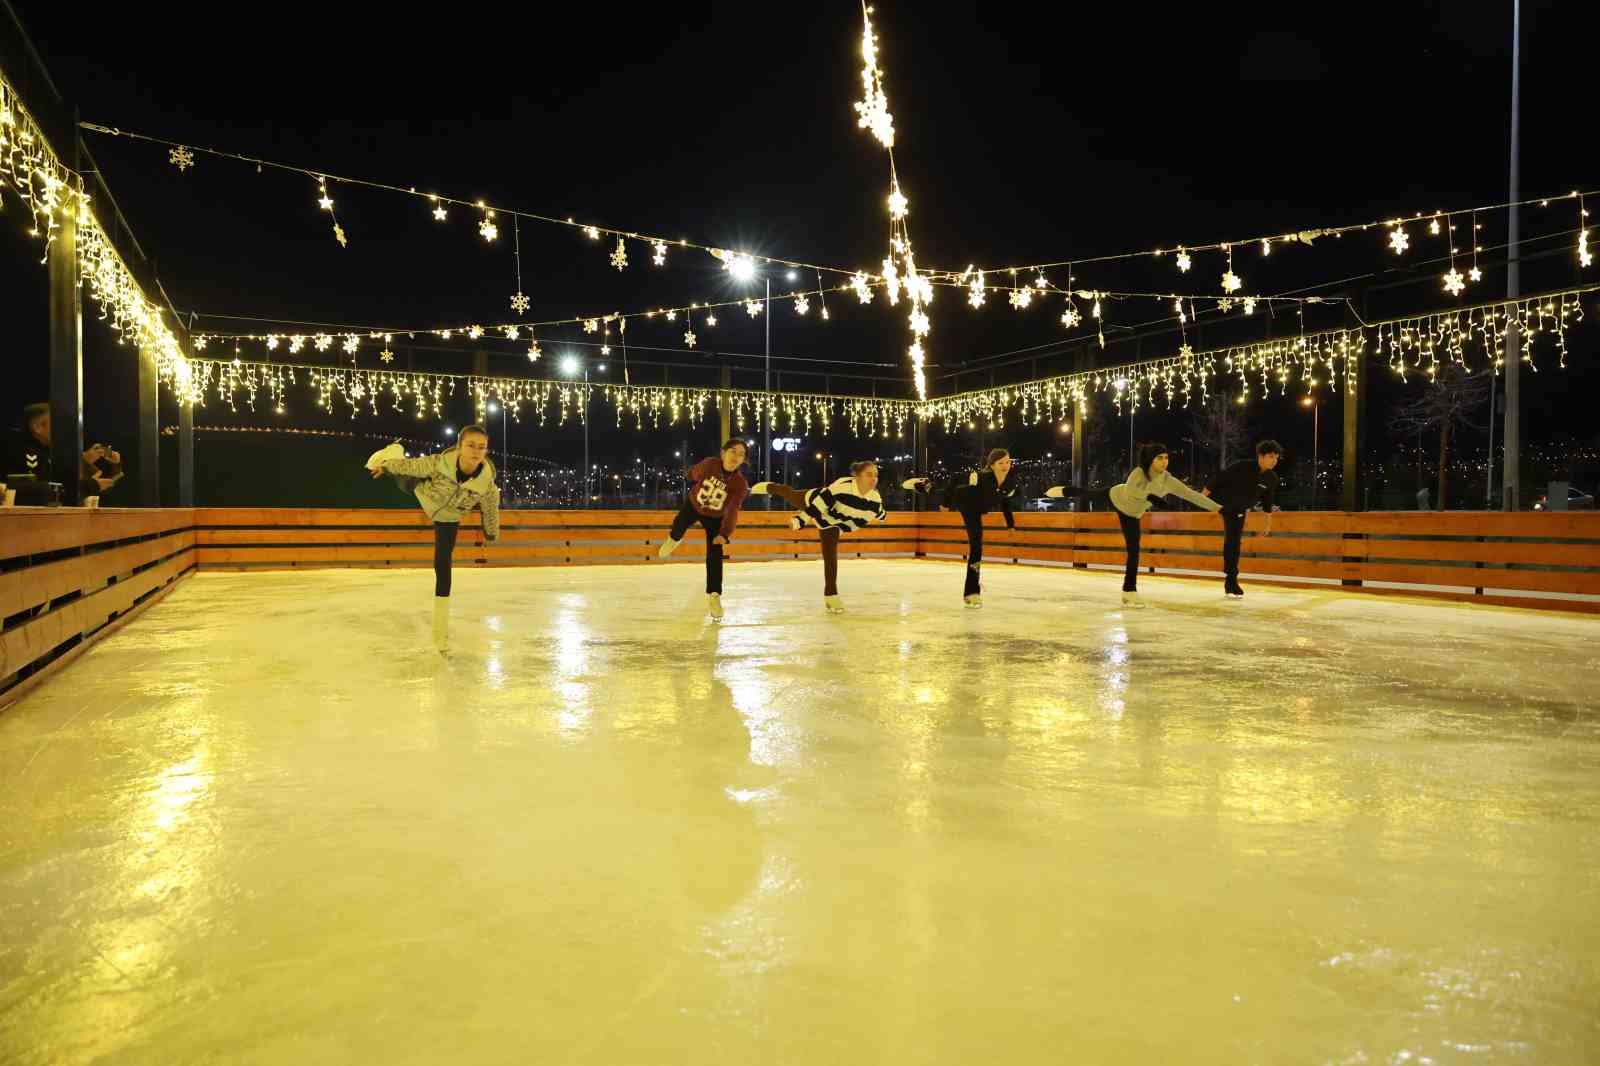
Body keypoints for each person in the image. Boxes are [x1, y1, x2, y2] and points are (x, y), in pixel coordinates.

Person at [365, 428, 501, 650]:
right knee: (404, 479)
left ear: (486, 450)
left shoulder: (487, 484)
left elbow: (490, 508)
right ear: (459, 447)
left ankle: (440, 625)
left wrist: (491, 532)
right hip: (424, 494)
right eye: (471, 445)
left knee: (442, 563)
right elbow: (412, 466)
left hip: (449, 516)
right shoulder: (440, 462)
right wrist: (387, 466)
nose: (476, 451)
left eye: (481, 447)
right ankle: (393, 453)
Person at [1046, 442, 1220, 608]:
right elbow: (1131, 491)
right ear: (1151, 459)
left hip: (1131, 515)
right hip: (1116, 496)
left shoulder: (1168, 480)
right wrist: (1152, 497)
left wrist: (1219, 509)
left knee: (1134, 550)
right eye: (1159, 458)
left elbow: (1192, 495)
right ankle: (1064, 491)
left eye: (1166, 457)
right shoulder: (1139, 472)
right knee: (1087, 493)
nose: (1164, 461)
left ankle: (1129, 591)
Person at [751, 460, 886, 613]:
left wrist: (882, 516)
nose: (873, 479)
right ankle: (772, 487)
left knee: (830, 555)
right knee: (790, 494)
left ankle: (831, 596)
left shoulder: (874, 498)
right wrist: (800, 519)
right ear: (856, 476)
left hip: (832, 522)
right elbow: (819, 505)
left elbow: (879, 510)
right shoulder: (842, 487)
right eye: (869, 474)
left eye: (876, 475)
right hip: (814, 502)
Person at [902, 448, 1020, 608]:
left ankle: (971, 593)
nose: (1006, 465)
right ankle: (922, 484)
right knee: (940, 495)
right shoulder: (981, 477)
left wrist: (1010, 525)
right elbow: (955, 478)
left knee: (976, 546)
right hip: (966, 501)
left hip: (977, 507)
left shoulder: (1009, 483)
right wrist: (945, 504)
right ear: (992, 465)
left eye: (1008, 461)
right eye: (1001, 463)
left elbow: (1006, 502)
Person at [658, 439, 750, 620]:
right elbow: (693, 473)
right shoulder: (710, 464)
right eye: (733, 451)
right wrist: (690, 473)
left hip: (715, 517)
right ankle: (674, 539)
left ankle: (714, 595)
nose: (736, 456)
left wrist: (724, 534)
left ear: (742, 461)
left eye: (741, 454)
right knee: (680, 523)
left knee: (715, 553)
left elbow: (733, 510)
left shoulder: (739, 484)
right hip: (694, 504)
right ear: (723, 453)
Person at [1203, 440, 1283, 598]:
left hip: (1239, 509)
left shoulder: (1271, 478)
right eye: (1270, 456)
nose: (1274, 460)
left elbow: (1267, 502)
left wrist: (1267, 523)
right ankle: (1231, 579)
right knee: (1233, 540)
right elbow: (1220, 478)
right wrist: (1201, 497)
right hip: (1223, 503)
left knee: (1233, 541)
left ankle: (1231, 579)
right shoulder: (1242, 466)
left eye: (1276, 457)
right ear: (1260, 456)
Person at [5, 402, 122, 504]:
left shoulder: (50, 452)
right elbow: (44, 492)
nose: (62, 429)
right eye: (57, 423)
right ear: (38, 427)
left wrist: (114, 464)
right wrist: (88, 479)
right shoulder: (21, 451)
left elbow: (107, 485)